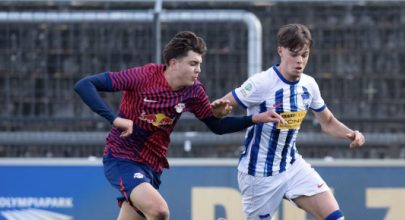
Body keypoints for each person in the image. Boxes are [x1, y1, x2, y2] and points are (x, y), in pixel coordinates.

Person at [73, 31, 284, 220]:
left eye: (199, 64)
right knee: (159, 210)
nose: (198, 70)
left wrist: (254, 119)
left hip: (152, 166)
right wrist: (114, 119)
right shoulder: (142, 77)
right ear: (174, 63)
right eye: (193, 64)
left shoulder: (194, 91)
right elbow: (85, 85)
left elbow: (216, 126)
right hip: (122, 157)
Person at [215, 24, 365, 220]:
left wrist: (351, 134)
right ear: (280, 51)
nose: (300, 61)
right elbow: (219, 108)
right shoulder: (261, 83)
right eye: (294, 54)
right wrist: (219, 110)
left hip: (292, 166)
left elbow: (327, 122)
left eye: (304, 54)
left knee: (335, 217)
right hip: (259, 174)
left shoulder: (309, 85)